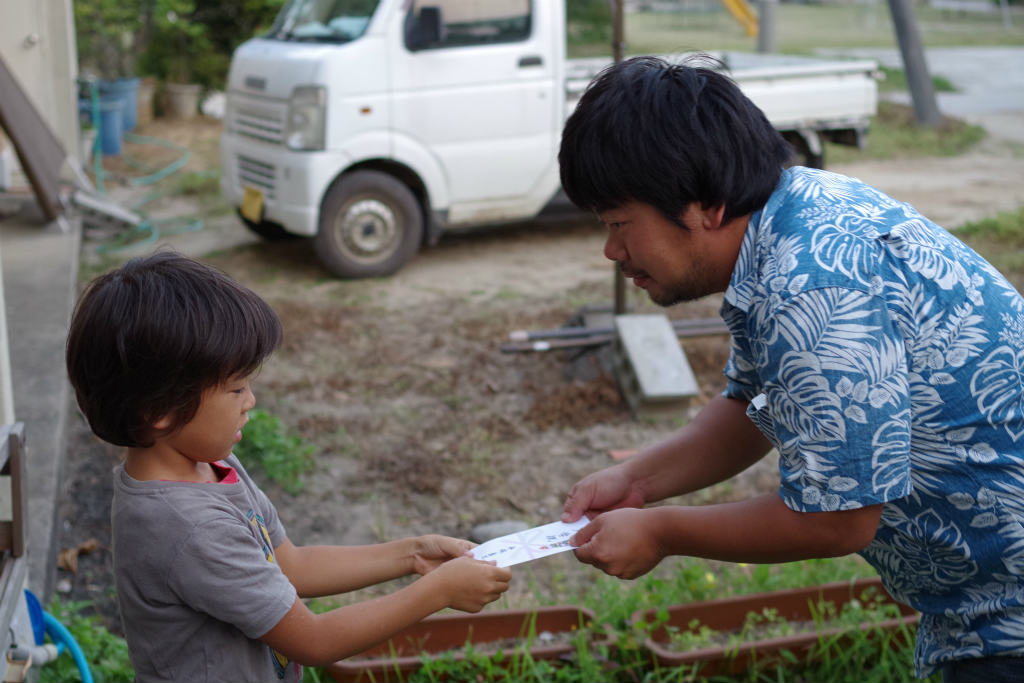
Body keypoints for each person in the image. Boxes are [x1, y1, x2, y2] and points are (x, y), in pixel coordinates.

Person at [557, 55, 1024, 682]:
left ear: (704, 205)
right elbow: (753, 408)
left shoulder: (812, 289)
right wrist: (639, 481)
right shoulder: (793, 217)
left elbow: (837, 522)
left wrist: (662, 532)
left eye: (619, 224)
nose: (612, 250)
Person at [64, 250, 511, 683]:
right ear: (159, 409)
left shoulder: (210, 464)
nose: (251, 402)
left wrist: (413, 553)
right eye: (237, 390)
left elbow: (290, 565)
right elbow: (313, 641)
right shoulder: (187, 527)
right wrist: (438, 593)